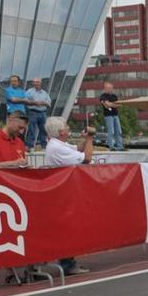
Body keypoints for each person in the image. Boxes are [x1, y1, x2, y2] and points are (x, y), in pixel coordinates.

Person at [45, 118, 93, 275]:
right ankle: (67, 263)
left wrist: (85, 139)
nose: (68, 127)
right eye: (66, 126)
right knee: (65, 228)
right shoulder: (56, 147)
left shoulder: (58, 144)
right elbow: (87, 158)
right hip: (61, 193)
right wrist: (90, 139)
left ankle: (68, 262)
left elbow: (78, 149)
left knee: (67, 227)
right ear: (61, 132)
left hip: (63, 191)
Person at [25, 77, 52, 149]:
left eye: (37, 82)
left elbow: (49, 103)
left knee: (43, 129)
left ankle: (43, 144)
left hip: (43, 113)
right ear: (32, 83)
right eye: (34, 82)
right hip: (33, 112)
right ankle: (30, 145)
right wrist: (34, 103)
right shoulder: (29, 92)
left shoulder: (44, 93)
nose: (36, 83)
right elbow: (25, 101)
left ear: (40, 83)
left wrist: (42, 103)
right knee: (32, 129)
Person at [99, 82, 123, 151]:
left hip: (115, 115)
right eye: (109, 88)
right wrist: (112, 104)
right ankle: (111, 146)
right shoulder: (103, 96)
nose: (111, 89)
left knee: (118, 131)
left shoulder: (114, 96)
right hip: (108, 116)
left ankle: (120, 146)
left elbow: (119, 104)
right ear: (105, 88)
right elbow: (107, 104)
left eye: (111, 88)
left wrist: (110, 104)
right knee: (111, 131)